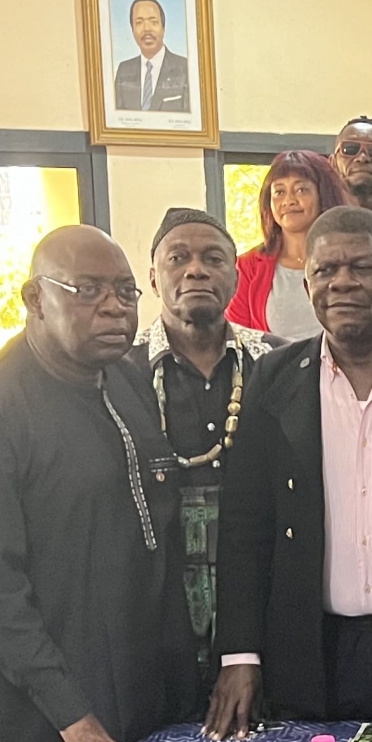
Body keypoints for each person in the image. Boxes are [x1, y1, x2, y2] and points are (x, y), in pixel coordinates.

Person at [0, 226, 201, 742]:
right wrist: (73, 719)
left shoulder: (126, 382)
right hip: (51, 731)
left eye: (124, 291)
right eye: (87, 291)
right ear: (34, 298)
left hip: (145, 708)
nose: (113, 307)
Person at [210, 207, 372, 732]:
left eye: (362, 267)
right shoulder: (272, 381)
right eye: (324, 271)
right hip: (312, 653)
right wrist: (240, 655)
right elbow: (246, 527)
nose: (342, 282)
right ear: (306, 283)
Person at [133, 208, 270, 687]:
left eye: (214, 258)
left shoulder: (276, 363)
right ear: (153, 277)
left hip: (255, 583)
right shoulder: (120, 370)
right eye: (178, 258)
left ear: (235, 275)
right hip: (155, 588)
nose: (196, 269)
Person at [226, 148, 350, 340]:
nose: (289, 201)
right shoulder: (246, 268)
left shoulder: (351, 258)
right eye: (279, 192)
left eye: (301, 190)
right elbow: (239, 340)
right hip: (271, 369)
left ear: (323, 195)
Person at [113, 0, 192, 115]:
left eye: (153, 22)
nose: (146, 29)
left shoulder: (185, 68)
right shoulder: (124, 70)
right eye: (139, 23)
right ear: (132, 29)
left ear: (163, 28)